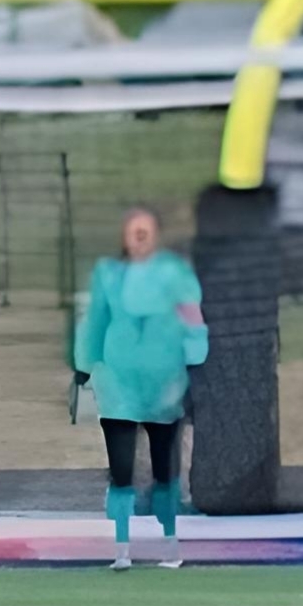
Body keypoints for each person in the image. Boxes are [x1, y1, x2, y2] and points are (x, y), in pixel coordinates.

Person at [75, 205, 208, 570]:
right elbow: (95, 319)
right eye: (134, 230)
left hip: (164, 386)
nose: (139, 237)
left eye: (146, 230)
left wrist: (196, 356)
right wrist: (84, 363)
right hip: (117, 384)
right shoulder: (108, 275)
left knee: (166, 469)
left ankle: (169, 544)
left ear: (156, 234)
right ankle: (122, 548)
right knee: (121, 470)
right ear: (124, 236)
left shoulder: (175, 274)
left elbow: (192, 317)